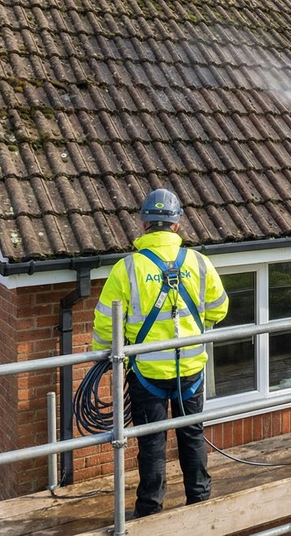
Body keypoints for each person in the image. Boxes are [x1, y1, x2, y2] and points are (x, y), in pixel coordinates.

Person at [91, 188, 229, 517]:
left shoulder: (127, 269)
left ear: (144, 225)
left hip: (148, 375)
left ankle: (150, 509)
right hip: (191, 372)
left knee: (151, 443)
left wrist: (105, 358)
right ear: (177, 224)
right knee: (192, 434)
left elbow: (106, 324)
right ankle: (199, 498)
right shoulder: (199, 262)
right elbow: (220, 308)